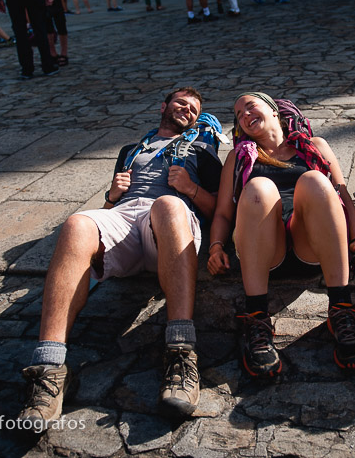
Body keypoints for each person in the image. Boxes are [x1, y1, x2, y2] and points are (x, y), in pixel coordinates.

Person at [17, 88, 222, 426]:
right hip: (125, 218)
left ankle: (181, 351)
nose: (186, 109)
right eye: (180, 103)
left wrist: (190, 189)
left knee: (168, 204)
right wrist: (111, 196)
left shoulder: (202, 150)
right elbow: (110, 211)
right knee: (77, 223)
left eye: (194, 109)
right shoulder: (130, 151)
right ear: (164, 107)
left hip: (168, 223)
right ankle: (49, 367)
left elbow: (220, 211)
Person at [207, 92, 355, 377]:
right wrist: (215, 246)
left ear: (275, 112)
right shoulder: (238, 156)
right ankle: (258, 317)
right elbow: (223, 212)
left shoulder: (314, 146)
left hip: (309, 242)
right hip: (263, 247)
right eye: (238, 115)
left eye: (250, 107)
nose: (244, 115)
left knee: (315, 180)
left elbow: (342, 195)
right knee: (259, 187)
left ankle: (341, 309)